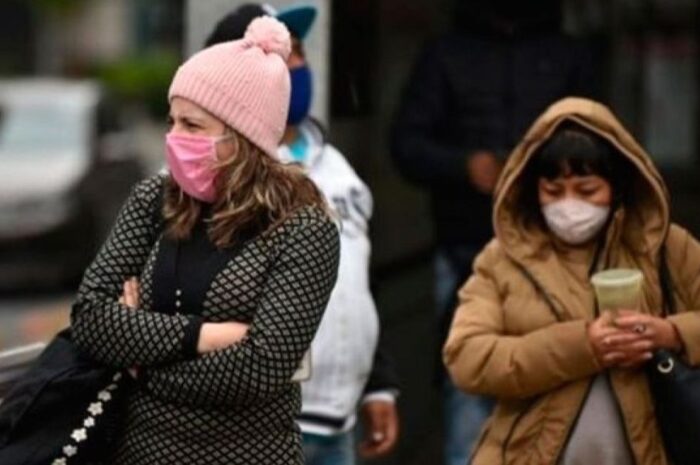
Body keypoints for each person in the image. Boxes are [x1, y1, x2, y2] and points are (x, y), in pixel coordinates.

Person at [70, 17, 340, 465]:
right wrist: (204, 336)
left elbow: (260, 370)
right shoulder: (153, 199)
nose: (175, 138)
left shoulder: (304, 229)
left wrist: (137, 360)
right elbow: (90, 317)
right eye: (172, 120)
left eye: (193, 126)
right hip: (138, 452)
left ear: (244, 137)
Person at [390, 1, 600, 462]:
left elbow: (603, 144)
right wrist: (464, 166)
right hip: (466, 254)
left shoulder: (568, 54)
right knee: (468, 397)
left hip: (558, 257)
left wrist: (546, 169)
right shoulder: (446, 53)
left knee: (559, 402)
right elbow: (405, 143)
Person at [443, 96, 700, 465]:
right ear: (532, 189)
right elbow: (467, 358)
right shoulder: (502, 260)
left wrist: (670, 334)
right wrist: (582, 346)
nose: (569, 205)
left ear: (618, 185)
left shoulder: (665, 247)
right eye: (553, 190)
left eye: (586, 190)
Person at [204, 5, 401, 464]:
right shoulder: (209, 175)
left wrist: (378, 385)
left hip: (336, 421)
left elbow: (355, 281)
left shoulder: (336, 167)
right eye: (278, 54)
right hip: (252, 425)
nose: (295, 65)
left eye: (298, 52)